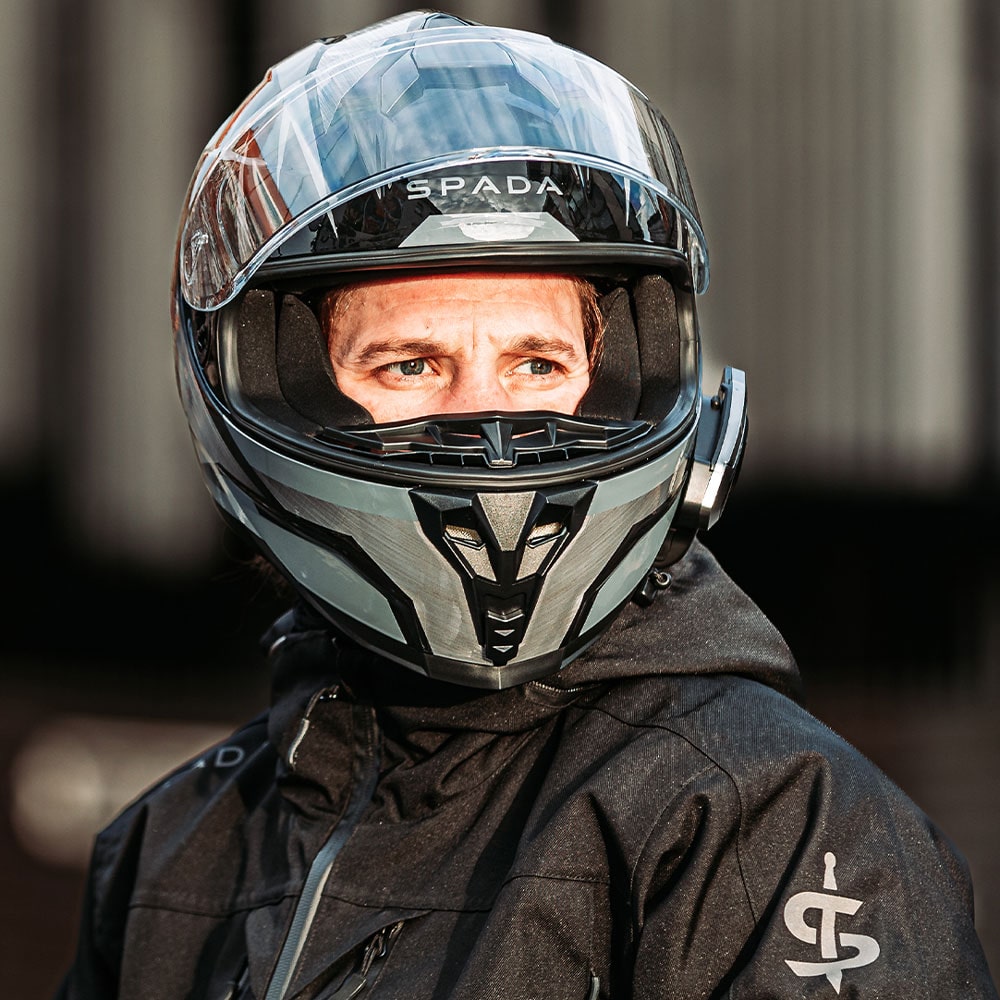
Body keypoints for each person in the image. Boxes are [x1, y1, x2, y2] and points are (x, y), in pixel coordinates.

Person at [58, 11, 997, 999]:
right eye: (412, 362)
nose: (490, 426)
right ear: (278, 385)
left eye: (535, 362)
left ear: (615, 377)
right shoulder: (170, 856)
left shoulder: (761, 821)